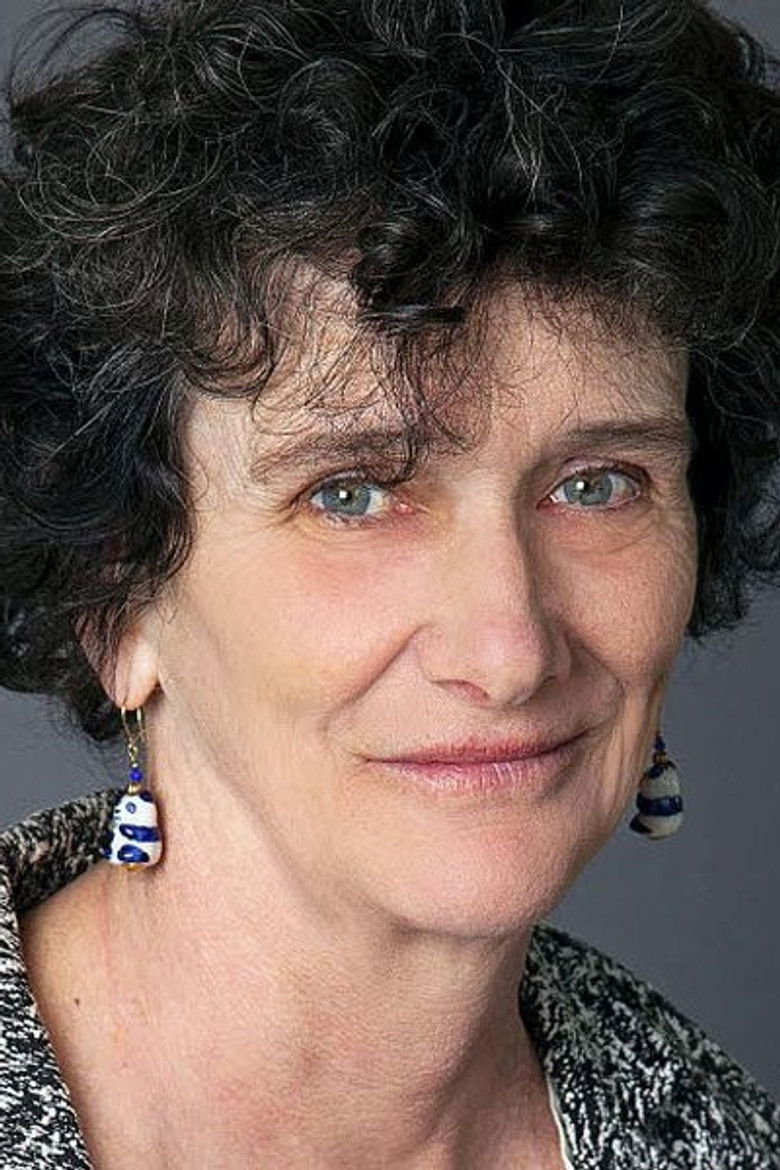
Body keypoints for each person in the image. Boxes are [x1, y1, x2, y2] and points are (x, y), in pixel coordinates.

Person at [0, 0, 778, 1166]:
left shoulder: (717, 1140)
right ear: (117, 594)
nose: (508, 651)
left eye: (597, 485)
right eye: (353, 494)